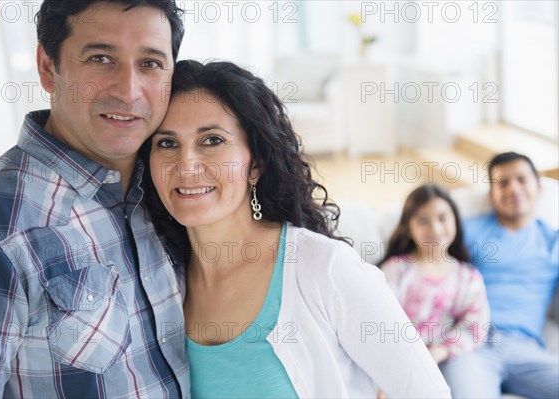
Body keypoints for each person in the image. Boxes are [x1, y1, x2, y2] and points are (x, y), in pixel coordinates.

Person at [141, 59, 451, 398]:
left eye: (212, 140)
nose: (186, 165)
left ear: (255, 164)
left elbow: (427, 391)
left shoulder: (325, 269)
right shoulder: (158, 278)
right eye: (167, 143)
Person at [0, 1, 189, 397]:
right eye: (101, 58)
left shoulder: (174, 190)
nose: (128, 90)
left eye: (150, 63)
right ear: (49, 68)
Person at [439, 152, 559, 398]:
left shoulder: (552, 241)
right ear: (491, 196)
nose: (513, 188)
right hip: (472, 344)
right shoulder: (466, 231)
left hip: (525, 349)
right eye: (503, 183)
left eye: (522, 180)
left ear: (538, 187)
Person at [379, 184, 490, 366]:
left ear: (455, 220)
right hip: (397, 359)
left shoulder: (467, 277)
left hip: (445, 359)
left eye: (442, 218)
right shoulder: (396, 270)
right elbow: (380, 317)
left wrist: (440, 351)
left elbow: (475, 326)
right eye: (423, 221)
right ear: (409, 227)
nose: (436, 229)